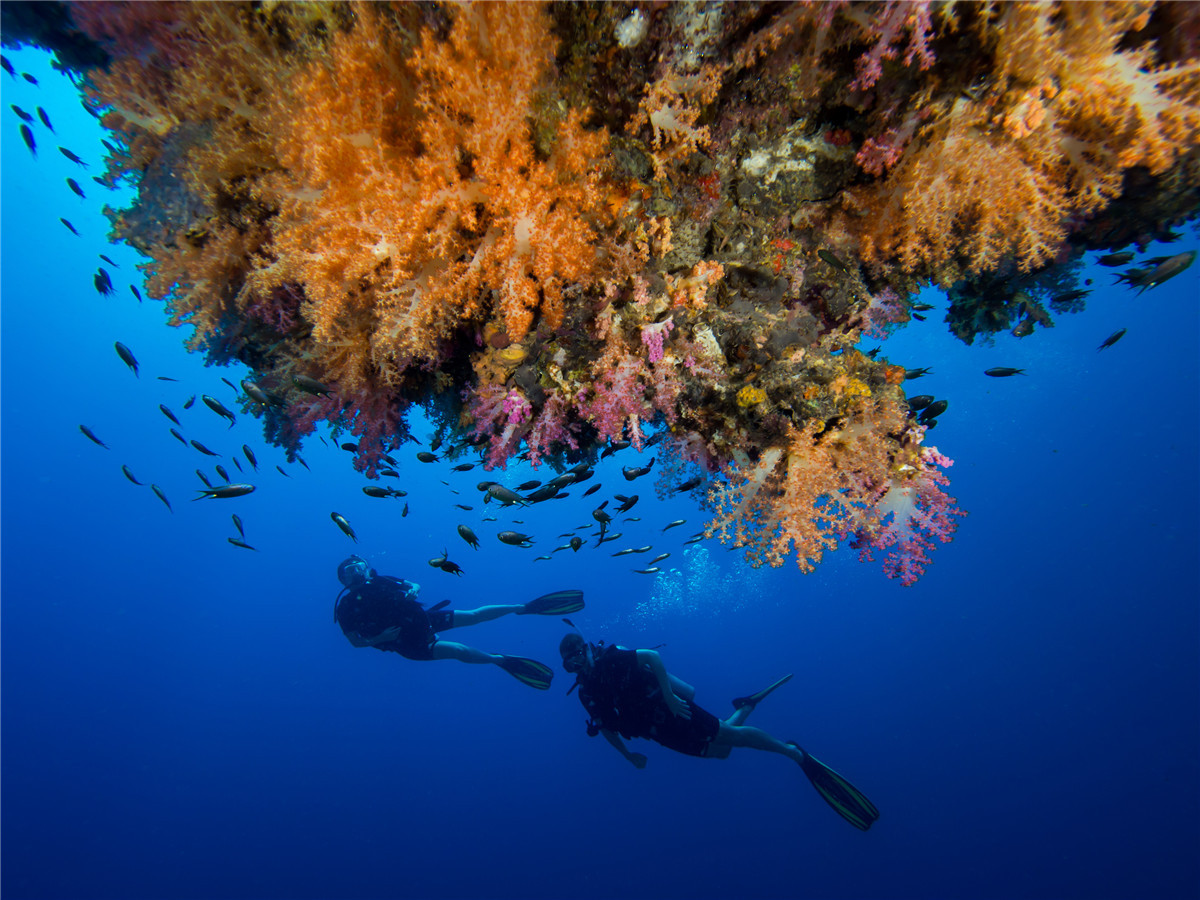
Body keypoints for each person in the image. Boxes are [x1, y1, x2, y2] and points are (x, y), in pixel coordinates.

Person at [559, 632, 880, 830]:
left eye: (578, 655)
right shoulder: (587, 693)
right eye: (570, 663)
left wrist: (670, 697)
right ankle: (746, 705)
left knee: (733, 738)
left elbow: (652, 656)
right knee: (721, 751)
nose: (578, 664)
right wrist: (629, 756)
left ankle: (793, 753)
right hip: (658, 732)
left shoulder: (612, 659)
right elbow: (604, 729)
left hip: (674, 710)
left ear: (586, 649)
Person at [333, 555, 583, 689]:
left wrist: (414, 590)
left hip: (422, 619)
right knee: (459, 650)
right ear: (343, 580)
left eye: (358, 566)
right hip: (407, 643)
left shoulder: (383, 581)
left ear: (366, 568)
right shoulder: (345, 607)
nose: (354, 572)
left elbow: (413, 584)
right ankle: (500, 660)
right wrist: (381, 639)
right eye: (348, 571)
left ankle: (523, 607)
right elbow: (355, 641)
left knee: (473, 615)